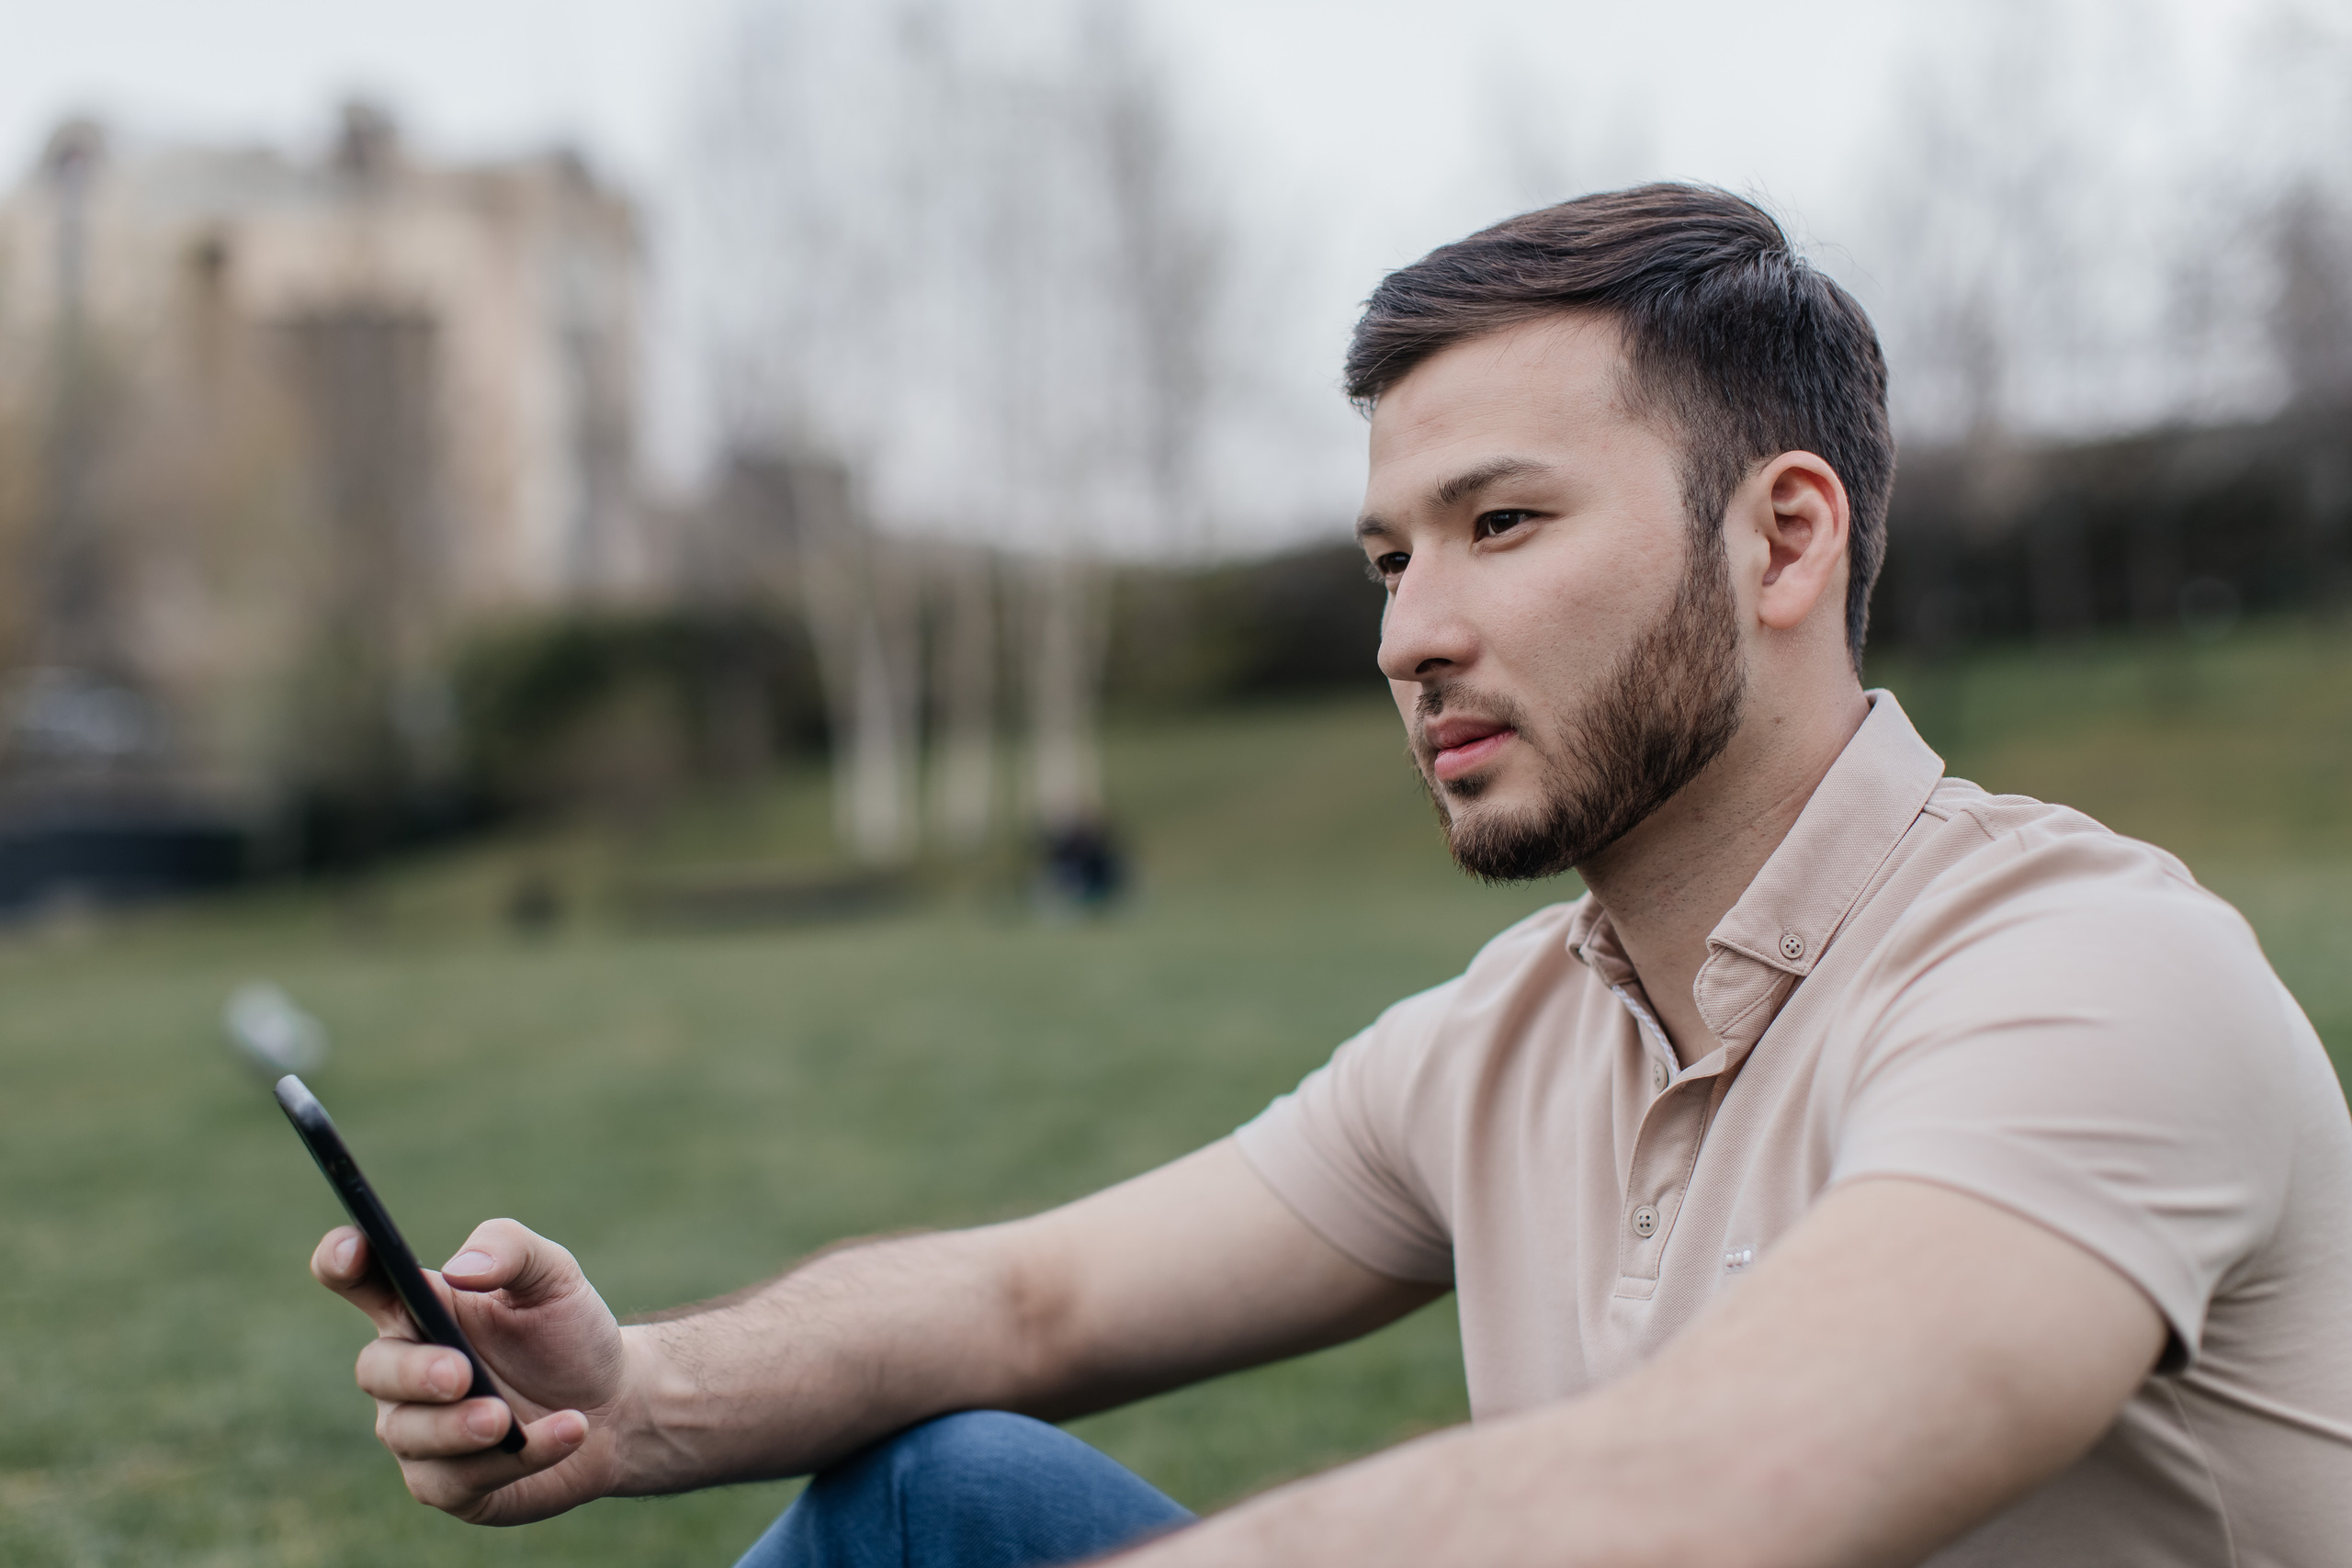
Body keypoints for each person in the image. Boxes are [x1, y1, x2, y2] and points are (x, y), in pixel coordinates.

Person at [310, 185, 2352, 1567]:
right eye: (1389, 557)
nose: (1408, 634)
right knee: (946, 1492)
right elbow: (1036, 1298)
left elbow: (1728, 1483)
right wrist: (640, 1394)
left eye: (1499, 524)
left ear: (1783, 539)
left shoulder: (2088, 978)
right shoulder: (1517, 1032)